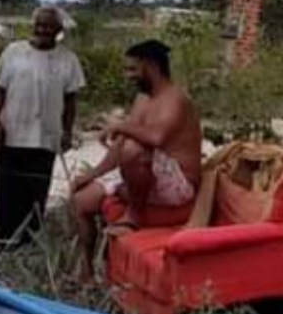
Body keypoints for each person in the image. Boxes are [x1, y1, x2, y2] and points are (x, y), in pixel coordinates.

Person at [70, 39, 203, 278]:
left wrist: (119, 126)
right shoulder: (142, 99)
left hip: (179, 185)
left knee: (134, 148)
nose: (128, 75)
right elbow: (122, 142)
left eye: (133, 69)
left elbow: (156, 138)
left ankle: (135, 214)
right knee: (81, 201)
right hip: (147, 174)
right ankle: (88, 272)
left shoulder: (177, 99)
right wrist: (91, 174)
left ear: (150, 66)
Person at [0, 7, 85, 249]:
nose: (42, 30)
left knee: (36, 190)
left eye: (48, 26)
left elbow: (71, 100)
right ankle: (3, 239)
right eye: (39, 25)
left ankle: (30, 241)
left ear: (58, 30)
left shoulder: (68, 59)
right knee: (6, 189)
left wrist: (67, 131)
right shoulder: (13, 52)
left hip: (46, 136)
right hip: (11, 133)